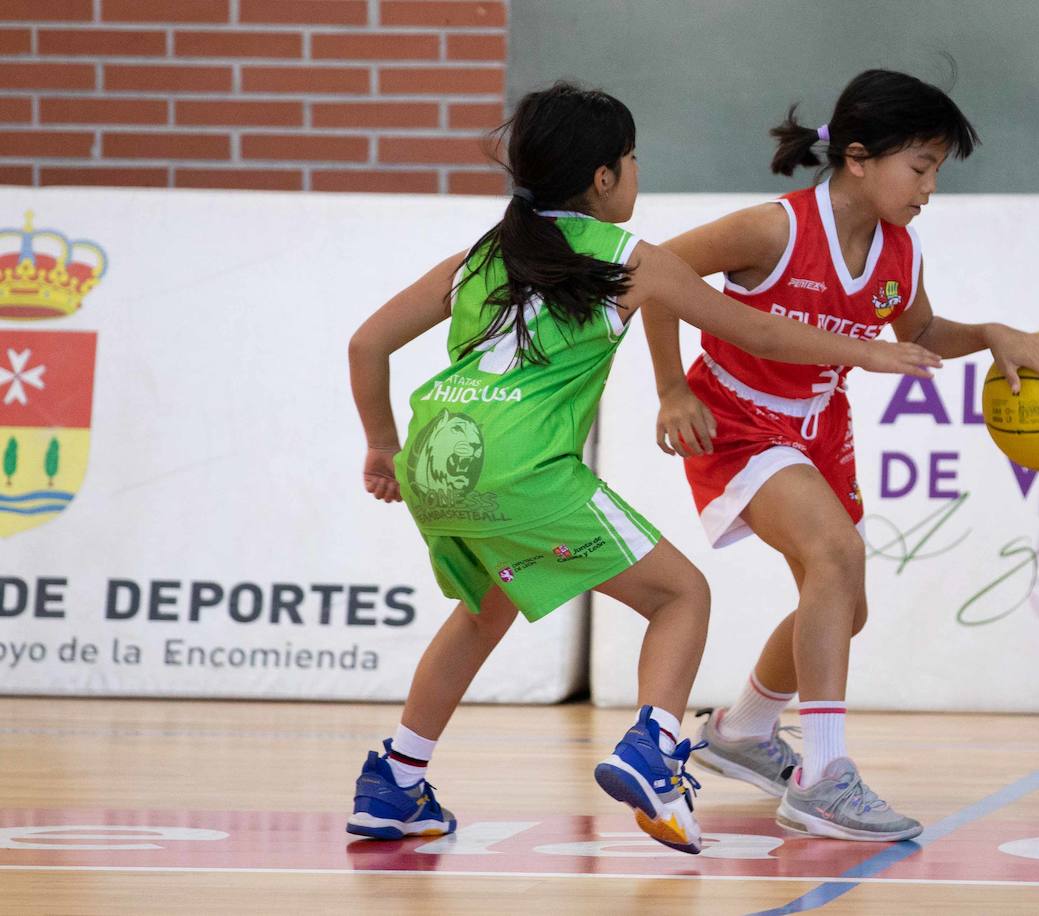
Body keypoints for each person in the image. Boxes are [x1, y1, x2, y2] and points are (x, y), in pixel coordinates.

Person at [344, 82, 941, 855]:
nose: (635, 172)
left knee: (482, 611)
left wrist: (382, 445)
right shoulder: (630, 260)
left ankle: (394, 782)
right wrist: (867, 349)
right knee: (680, 594)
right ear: (603, 178)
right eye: (631, 160)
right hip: (519, 466)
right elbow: (755, 328)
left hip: (436, 456)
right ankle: (655, 751)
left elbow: (366, 343)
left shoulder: (481, 256)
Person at [643, 69, 1039, 842]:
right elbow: (653, 277)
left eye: (937, 171)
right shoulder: (771, 229)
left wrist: (990, 336)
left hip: (818, 423)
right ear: (857, 157)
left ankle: (742, 731)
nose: (929, 187)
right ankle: (822, 777)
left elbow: (917, 333)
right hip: (735, 419)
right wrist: (671, 388)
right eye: (920, 167)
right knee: (836, 554)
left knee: (846, 605)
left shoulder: (899, 252)